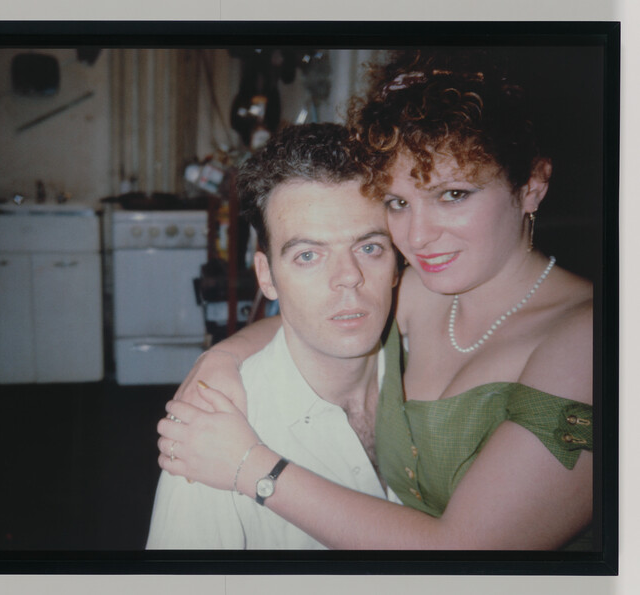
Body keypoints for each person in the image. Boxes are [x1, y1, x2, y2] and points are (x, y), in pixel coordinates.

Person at [156, 50, 594, 550]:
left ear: (532, 184)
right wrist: (223, 356)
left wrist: (252, 467)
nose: (419, 235)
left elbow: (464, 559)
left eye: (453, 195)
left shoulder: (590, 340)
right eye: (398, 203)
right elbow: (334, 306)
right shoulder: (422, 289)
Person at [146, 123, 402, 549]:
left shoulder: (436, 371)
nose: (348, 278)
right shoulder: (214, 431)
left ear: (397, 261)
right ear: (266, 276)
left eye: (369, 247)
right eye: (308, 255)